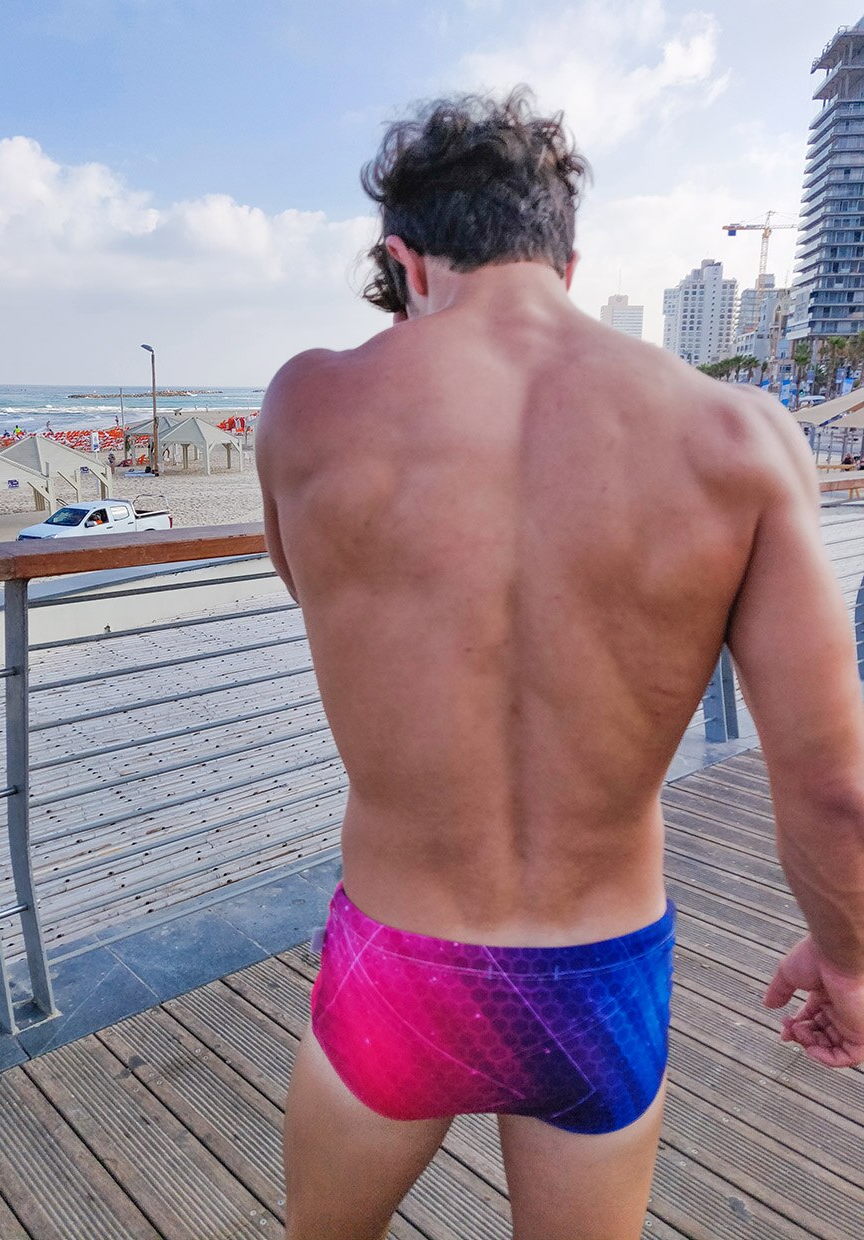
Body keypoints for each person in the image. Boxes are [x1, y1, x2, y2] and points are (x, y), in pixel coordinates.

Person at [256, 91, 864, 1240]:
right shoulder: (741, 436)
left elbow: (317, 591)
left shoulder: (306, 403)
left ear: (405, 263)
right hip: (596, 976)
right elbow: (834, 784)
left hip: (398, 960)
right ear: (568, 265)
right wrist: (850, 961)